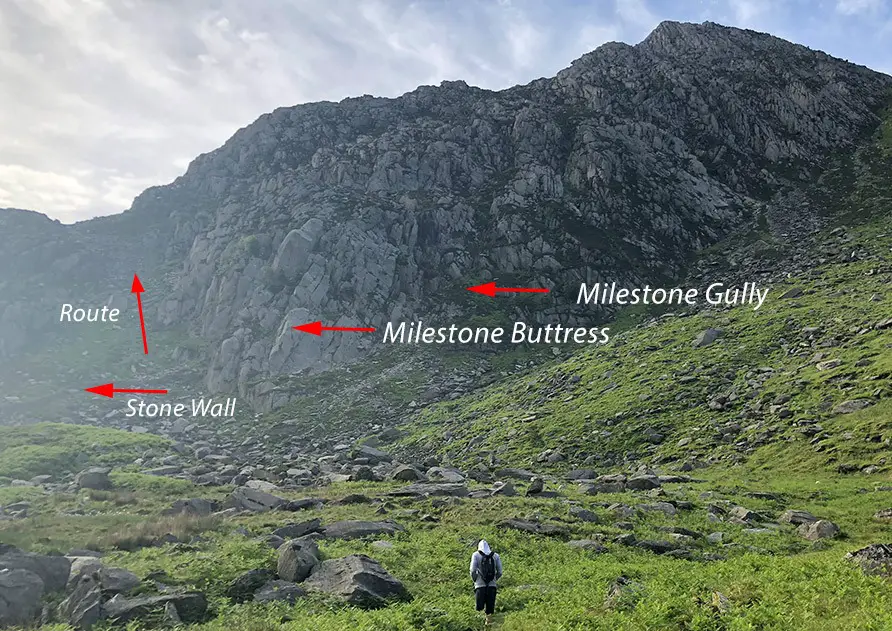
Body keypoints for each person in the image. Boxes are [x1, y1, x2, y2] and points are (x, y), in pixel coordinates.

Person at [469, 539, 502, 625]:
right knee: (490, 608)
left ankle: (479, 625)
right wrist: (494, 580)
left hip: (480, 585)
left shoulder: (475, 555)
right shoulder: (495, 556)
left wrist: (475, 580)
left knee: (479, 608)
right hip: (492, 586)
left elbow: (472, 570)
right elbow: (500, 572)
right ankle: (489, 624)